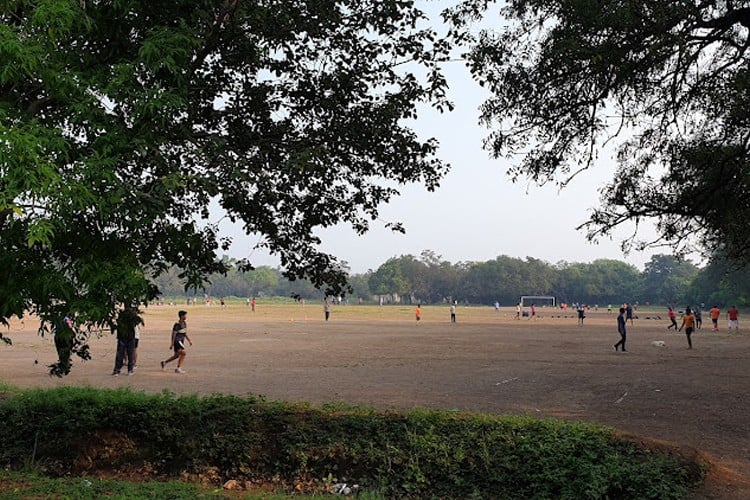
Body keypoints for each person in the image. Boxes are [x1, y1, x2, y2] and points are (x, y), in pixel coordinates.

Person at [112, 307, 143, 376]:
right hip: (129, 338)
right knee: (129, 354)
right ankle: (129, 370)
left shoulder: (123, 321)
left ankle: (118, 370)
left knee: (121, 354)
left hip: (125, 338)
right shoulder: (131, 321)